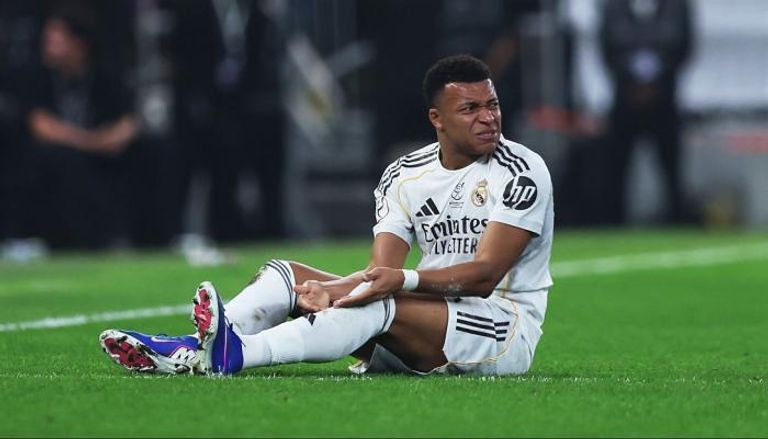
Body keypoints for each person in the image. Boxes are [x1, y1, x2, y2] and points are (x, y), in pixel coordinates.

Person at [99, 54, 554, 377]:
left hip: (500, 329)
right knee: (287, 275)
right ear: (437, 118)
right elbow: (381, 273)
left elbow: (484, 276)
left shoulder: (522, 170)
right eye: (470, 109)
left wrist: (393, 283)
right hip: (423, 320)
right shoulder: (404, 174)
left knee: (379, 303)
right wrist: (333, 291)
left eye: (492, 104)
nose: (488, 118)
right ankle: (194, 348)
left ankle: (235, 354)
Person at [10, 3, 139, 249]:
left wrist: (111, 138)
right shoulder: (37, 75)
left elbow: (129, 121)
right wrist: (90, 142)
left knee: (152, 151)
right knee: (62, 160)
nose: (49, 45)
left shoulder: (102, 74)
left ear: (79, 44)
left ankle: (148, 237)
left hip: (101, 155)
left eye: (56, 40)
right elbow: (40, 125)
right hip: (57, 156)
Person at [599, 0, 693, 224]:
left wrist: (658, 85)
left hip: (665, 102)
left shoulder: (677, 7)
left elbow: (685, 48)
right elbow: (606, 51)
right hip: (625, 102)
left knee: (670, 169)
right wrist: (630, 83)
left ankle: (676, 220)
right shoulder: (613, 8)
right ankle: (614, 222)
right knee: (617, 170)